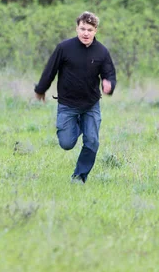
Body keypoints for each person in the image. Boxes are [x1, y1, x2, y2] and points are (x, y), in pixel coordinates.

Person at [34, 11, 117, 184]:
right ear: (77, 28)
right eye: (82, 29)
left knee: (92, 141)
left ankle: (79, 176)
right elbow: (50, 70)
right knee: (66, 143)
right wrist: (41, 89)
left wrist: (109, 84)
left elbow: (109, 73)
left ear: (96, 31)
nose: (85, 33)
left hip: (90, 104)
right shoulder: (64, 48)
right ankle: (79, 125)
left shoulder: (101, 51)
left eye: (89, 29)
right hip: (67, 104)